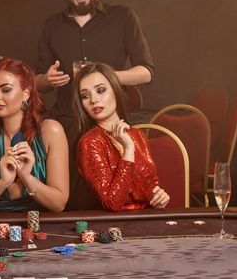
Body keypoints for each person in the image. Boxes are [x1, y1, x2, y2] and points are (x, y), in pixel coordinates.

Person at [34, 0, 154, 204]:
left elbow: (146, 72)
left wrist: (104, 76)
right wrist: (47, 79)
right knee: (70, 201)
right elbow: (36, 83)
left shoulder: (123, 17)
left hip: (110, 126)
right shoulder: (52, 25)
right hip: (67, 124)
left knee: (117, 197)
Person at [0, 58, 69, 213]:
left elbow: (58, 204)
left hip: (40, 227)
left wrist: (26, 177)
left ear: (26, 93)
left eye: (5, 89)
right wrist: (3, 182)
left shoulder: (50, 131)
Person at [72, 62, 169, 211]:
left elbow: (151, 188)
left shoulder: (137, 135)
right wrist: (128, 150)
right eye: (85, 96)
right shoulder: (89, 142)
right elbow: (112, 203)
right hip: (113, 227)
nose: (93, 100)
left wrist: (159, 199)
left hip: (145, 223)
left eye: (101, 90)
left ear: (116, 90)